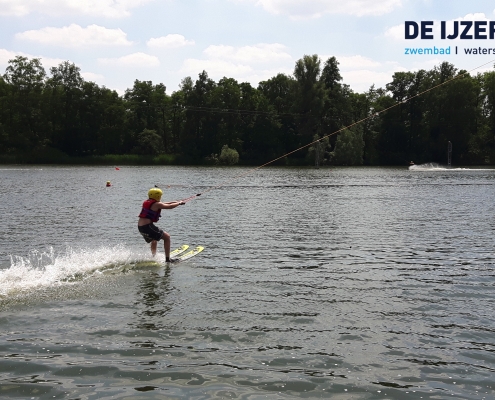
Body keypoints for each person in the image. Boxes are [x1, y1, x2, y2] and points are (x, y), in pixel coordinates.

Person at [138, 188, 184, 262]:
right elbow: (169, 206)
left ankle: (153, 256)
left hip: (141, 227)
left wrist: (176, 202)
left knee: (154, 239)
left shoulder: (148, 202)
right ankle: (168, 259)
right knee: (167, 237)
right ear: (158, 196)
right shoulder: (157, 204)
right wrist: (178, 203)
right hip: (147, 227)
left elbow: (165, 203)